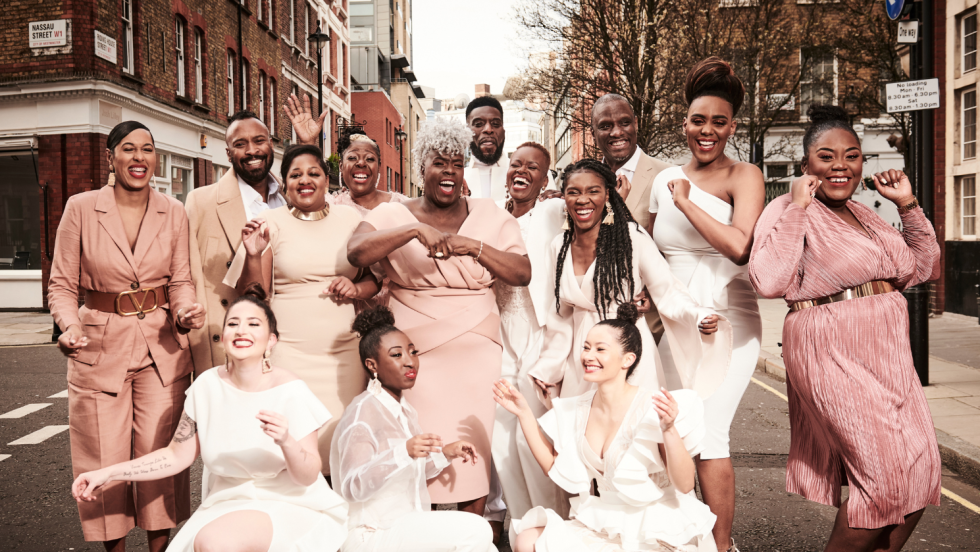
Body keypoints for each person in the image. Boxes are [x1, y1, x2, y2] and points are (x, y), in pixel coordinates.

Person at [749, 105, 941, 552]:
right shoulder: (785, 208)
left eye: (851, 156)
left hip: (888, 353)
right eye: (827, 156)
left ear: (862, 163)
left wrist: (908, 204)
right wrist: (797, 204)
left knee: (919, 468)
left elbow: (922, 268)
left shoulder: (868, 213)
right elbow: (769, 280)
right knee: (881, 479)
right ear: (806, 165)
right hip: (829, 349)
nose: (840, 166)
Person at [71, 284, 349, 552]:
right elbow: (175, 456)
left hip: (288, 503)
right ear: (223, 336)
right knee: (211, 542)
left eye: (254, 324)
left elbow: (308, 475)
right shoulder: (206, 386)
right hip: (225, 504)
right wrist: (109, 473)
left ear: (271, 340)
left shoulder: (290, 390)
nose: (242, 330)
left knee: (215, 544)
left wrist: (287, 441)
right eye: (233, 323)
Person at [346, 117, 531, 516]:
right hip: (411, 351)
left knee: (472, 444)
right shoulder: (393, 213)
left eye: (457, 163)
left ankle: (473, 534)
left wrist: (473, 246)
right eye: (438, 162)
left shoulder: (490, 213)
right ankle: (418, 530)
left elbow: (521, 272)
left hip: (475, 348)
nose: (449, 171)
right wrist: (412, 232)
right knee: (416, 439)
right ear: (421, 168)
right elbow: (357, 252)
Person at [49, 121, 207, 551]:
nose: (139, 158)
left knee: (161, 457)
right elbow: (61, 285)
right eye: (129, 149)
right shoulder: (80, 207)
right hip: (98, 348)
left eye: (148, 150)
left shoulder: (173, 210)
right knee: (103, 457)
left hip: (163, 349)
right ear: (110, 157)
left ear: (155, 159)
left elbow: (181, 281)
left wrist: (185, 311)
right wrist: (70, 327)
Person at [648, 58, 764, 552]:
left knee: (711, 435)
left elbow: (741, 246)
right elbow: (651, 250)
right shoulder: (664, 178)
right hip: (675, 323)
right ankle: (684, 536)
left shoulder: (746, 175)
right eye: (699, 120)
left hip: (729, 320)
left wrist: (687, 201)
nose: (707, 130)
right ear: (685, 123)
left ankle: (720, 545)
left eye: (719, 122)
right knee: (675, 431)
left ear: (732, 127)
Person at [496, 303, 717, 552]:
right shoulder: (576, 409)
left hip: (658, 525)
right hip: (604, 519)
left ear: (628, 360)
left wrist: (669, 429)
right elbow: (553, 466)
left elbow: (685, 484)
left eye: (600, 349)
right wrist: (524, 412)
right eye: (586, 348)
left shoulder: (651, 406)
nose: (588, 356)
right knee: (528, 540)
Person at [224, 144, 378, 474]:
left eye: (313, 173)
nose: (305, 180)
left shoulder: (351, 219)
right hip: (290, 355)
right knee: (294, 449)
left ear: (327, 180)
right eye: (296, 175)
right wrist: (253, 255)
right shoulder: (268, 221)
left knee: (341, 447)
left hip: (343, 357)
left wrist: (355, 288)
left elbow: (374, 280)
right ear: (284, 183)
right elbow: (255, 295)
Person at [527, 159, 732, 406]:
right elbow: (560, 316)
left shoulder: (632, 238)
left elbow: (666, 290)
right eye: (574, 192)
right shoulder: (558, 246)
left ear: (608, 195)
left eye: (593, 191)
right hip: (583, 359)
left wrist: (697, 315)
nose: (583, 200)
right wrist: (548, 368)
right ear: (565, 197)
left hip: (628, 353)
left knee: (633, 436)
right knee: (582, 436)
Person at [331, 306, 496, 552]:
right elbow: (352, 487)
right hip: (373, 533)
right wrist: (403, 452)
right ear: (372, 365)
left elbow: (405, 473)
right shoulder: (361, 412)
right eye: (396, 355)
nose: (410, 361)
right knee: (478, 529)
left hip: (405, 526)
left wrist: (445, 454)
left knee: (487, 548)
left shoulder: (405, 411)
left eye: (413, 352)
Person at [185, 95, 323, 376]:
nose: (252, 150)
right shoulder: (201, 202)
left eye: (259, 141)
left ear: (271, 145)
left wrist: (308, 145)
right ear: (228, 153)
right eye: (240, 144)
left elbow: (322, 225)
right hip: (230, 340)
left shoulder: (293, 196)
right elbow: (184, 274)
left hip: (290, 339)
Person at [487, 142, 568, 527]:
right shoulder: (492, 217)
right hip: (500, 338)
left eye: (532, 167)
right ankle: (521, 528)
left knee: (531, 439)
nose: (522, 171)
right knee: (501, 444)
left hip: (538, 334)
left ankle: (550, 527)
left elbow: (592, 203)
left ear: (545, 178)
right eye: (516, 164)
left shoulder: (551, 211)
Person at [592, 93, 672, 339]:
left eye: (624, 123)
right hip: (598, 318)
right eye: (605, 126)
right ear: (594, 133)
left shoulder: (667, 175)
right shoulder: (585, 180)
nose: (616, 132)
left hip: (654, 319)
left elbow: (673, 249)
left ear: (635, 124)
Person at [332, 133, 410, 310]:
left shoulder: (402, 205)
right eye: (352, 157)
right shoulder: (333, 206)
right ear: (341, 166)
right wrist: (307, 142)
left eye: (369, 158)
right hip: (347, 307)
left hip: (397, 306)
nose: (361, 163)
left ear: (379, 167)